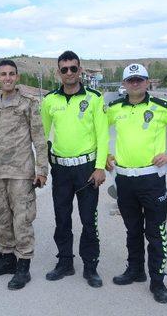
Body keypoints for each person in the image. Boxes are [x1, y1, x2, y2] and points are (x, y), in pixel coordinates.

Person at [106, 63, 167, 304]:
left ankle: (158, 281)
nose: (135, 84)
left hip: (152, 180)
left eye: (140, 80)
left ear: (148, 82)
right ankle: (135, 270)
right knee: (132, 230)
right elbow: (97, 131)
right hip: (124, 179)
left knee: (155, 233)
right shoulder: (114, 109)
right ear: (124, 85)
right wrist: (104, 154)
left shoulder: (162, 108)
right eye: (130, 80)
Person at [40, 50, 108, 287]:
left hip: (87, 170)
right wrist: (43, 165)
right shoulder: (50, 100)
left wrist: (100, 167)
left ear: (80, 70)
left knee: (89, 220)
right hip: (61, 171)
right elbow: (42, 136)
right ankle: (65, 262)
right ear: (58, 72)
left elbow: (103, 134)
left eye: (73, 68)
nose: (69, 73)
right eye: (64, 69)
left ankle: (90, 267)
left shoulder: (95, 98)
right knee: (62, 219)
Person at [0, 60, 49, 290]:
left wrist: (42, 170)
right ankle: (8, 260)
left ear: (17, 77)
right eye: (3, 74)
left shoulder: (28, 104)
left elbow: (39, 139)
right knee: (0, 218)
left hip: (21, 173)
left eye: (11, 74)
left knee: (22, 219)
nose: (8, 78)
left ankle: (23, 266)